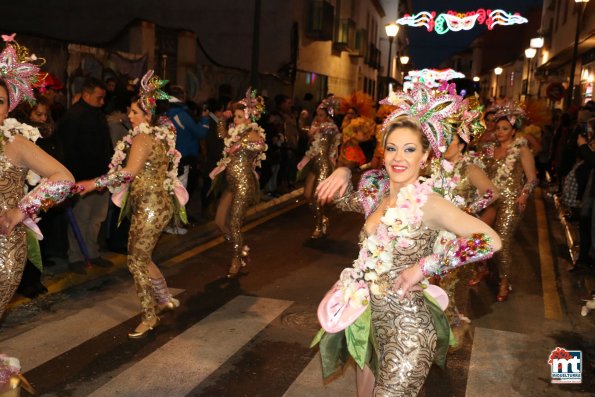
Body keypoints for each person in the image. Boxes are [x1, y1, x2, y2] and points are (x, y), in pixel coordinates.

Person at [314, 84, 501, 396]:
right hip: (370, 321)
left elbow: (490, 241)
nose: (398, 158)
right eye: (391, 148)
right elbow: (339, 199)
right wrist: (345, 171)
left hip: (409, 332)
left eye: (409, 149)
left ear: (425, 156)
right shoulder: (376, 190)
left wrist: (425, 267)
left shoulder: (430, 202)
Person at [76, 70, 186, 338]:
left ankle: (150, 317)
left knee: (135, 261)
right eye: (130, 111)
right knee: (143, 257)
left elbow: (128, 173)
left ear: (148, 116)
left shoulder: (142, 138)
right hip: (154, 204)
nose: (130, 116)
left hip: (150, 206)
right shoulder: (157, 137)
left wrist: (92, 183)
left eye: (136, 112)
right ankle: (163, 298)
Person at [0, 36, 75, 317]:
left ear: (9, 108)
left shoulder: (15, 143)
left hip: (3, 246)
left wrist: (22, 211)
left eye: (0, 101)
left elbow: (63, 178)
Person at [55, 77, 113, 273]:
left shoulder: (97, 114)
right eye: (99, 97)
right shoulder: (73, 117)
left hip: (101, 176)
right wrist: (75, 180)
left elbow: (105, 145)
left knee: (96, 218)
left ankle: (92, 252)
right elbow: (68, 151)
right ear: (86, 95)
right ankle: (76, 256)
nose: (102, 102)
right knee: (81, 218)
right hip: (82, 178)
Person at [482, 103, 537, 301]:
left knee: (503, 240)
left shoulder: (521, 148)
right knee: (482, 236)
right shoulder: (489, 149)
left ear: (514, 130)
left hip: (512, 201)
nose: (500, 132)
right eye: (498, 128)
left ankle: (504, 282)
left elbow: (532, 179)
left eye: (505, 128)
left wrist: (523, 195)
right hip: (490, 199)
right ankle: (485, 267)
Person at [209, 89, 267, 277]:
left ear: (248, 119)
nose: (235, 119)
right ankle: (240, 247)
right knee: (219, 221)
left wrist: (241, 144)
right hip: (231, 185)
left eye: (239, 116)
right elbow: (221, 135)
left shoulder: (252, 133)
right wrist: (221, 119)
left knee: (234, 224)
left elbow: (260, 146)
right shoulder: (235, 133)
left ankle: (236, 259)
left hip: (244, 185)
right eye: (235, 116)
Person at [296, 95, 341, 239]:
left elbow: (322, 130)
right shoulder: (317, 127)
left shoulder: (331, 128)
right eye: (317, 115)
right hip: (314, 164)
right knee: (307, 195)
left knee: (317, 197)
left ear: (328, 115)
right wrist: (301, 118)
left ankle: (318, 227)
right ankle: (323, 218)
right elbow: (304, 129)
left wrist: (315, 127)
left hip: (324, 165)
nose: (318, 117)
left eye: (322, 115)